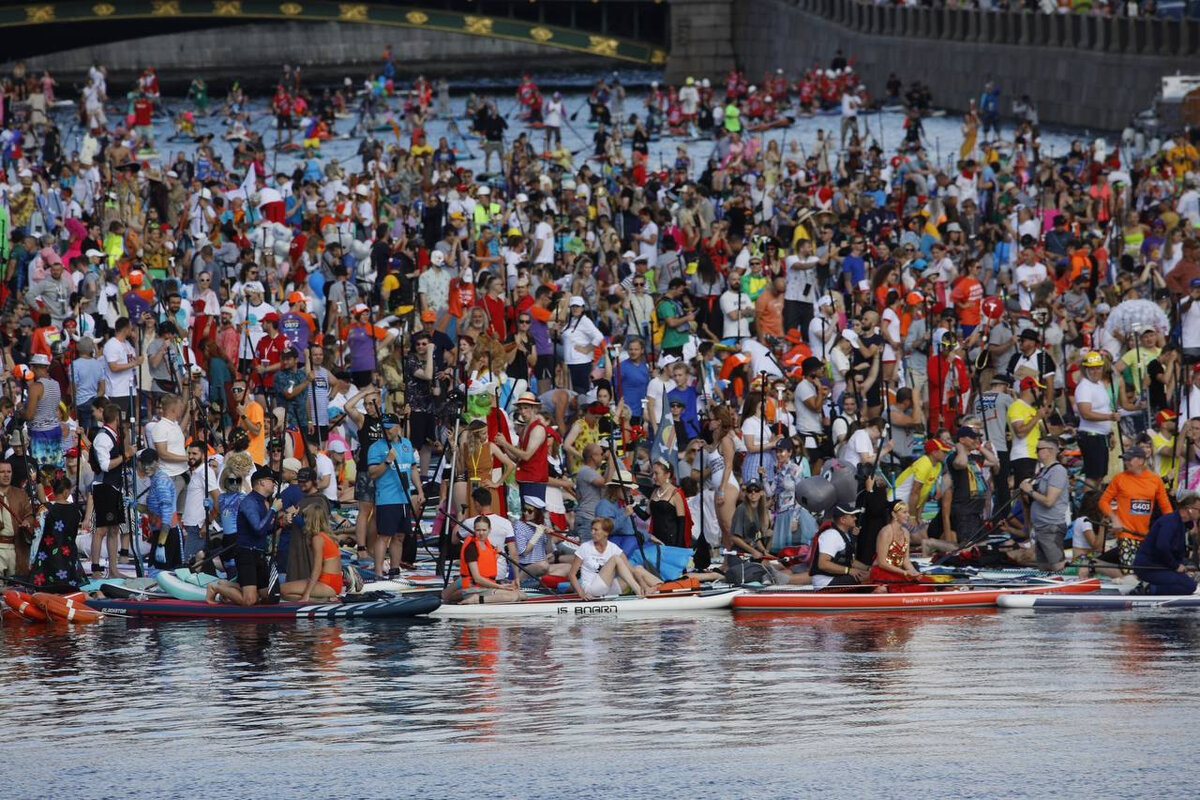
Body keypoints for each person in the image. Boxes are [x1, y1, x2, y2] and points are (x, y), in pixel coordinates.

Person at [207, 466, 299, 605]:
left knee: (269, 597)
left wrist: (281, 523)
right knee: (250, 600)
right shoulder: (249, 502)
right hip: (246, 553)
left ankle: (225, 584)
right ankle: (215, 587)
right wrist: (274, 509)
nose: (274, 484)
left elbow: (266, 529)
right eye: (271, 480)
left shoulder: (263, 502)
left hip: (259, 554)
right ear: (261, 482)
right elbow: (258, 529)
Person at [367, 412, 424, 578]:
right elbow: (372, 473)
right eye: (384, 429)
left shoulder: (406, 443)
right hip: (386, 498)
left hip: (404, 497)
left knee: (399, 536)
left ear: (398, 427)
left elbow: (412, 468)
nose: (387, 432)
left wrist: (419, 490)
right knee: (384, 535)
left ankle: (395, 569)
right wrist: (387, 461)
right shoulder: (376, 447)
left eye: (390, 429)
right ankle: (378, 572)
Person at [1100, 446, 1174, 572]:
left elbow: (1166, 508)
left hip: (1145, 535)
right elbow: (1103, 501)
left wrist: (1172, 528)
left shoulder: (1155, 480)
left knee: (1144, 572)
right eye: (1125, 459)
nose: (1126, 462)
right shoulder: (1119, 478)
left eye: (1129, 459)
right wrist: (1114, 518)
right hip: (1125, 533)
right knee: (1130, 570)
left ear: (1141, 460)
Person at [568, 517, 660, 600]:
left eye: (596, 530)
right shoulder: (585, 547)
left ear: (606, 532)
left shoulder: (613, 548)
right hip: (592, 590)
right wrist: (581, 594)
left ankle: (662, 587)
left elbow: (632, 570)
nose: (592, 532)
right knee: (615, 558)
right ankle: (640, 592)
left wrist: (643, 584)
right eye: (592, 529)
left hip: (608, 589)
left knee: (638, 569)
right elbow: (572, 574)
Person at [443, 515, 524, 605]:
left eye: (484, 530)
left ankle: (467, 596)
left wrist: (495, 556)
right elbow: (477, 579)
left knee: (522, 595)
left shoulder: (487, 546)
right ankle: (476, 599)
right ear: (474, 530)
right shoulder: (471, 547)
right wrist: (501, 587)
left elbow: (486, 564)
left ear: (489, 530)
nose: (481, 533)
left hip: (485, 587)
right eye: (478, 530)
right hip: (475, 588)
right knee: (514, 596)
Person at [1133, 493, 1200, 596]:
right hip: (1150, 567)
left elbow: (1176, 551)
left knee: (1189, 582)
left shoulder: (1180, 523)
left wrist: (1183, 565)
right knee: (1189, 586)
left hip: (1161, 565)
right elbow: (1162, 547)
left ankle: (1152, 587)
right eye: (1198, 510)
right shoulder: (1170, 522)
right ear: (1189, 509)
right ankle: (1149, 589)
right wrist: (1176, 566)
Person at [1021, 437, 1071, 571]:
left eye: (1038, 449)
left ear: (1049, 451)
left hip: (1050, 526)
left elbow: (1049, 501)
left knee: (1058, 566)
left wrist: (1029, 490)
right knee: (1044, 567)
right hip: (1041, 526)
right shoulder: (1044, 471)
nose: (1036, 452)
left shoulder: (1058, 471)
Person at [280, 504, 344, 602]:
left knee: (282, 590)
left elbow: (317, 568)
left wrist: (307, 594)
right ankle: (325, 598)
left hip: (327, 583)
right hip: (335, 582)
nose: (304, 520)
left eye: (305, 517)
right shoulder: (327, 536)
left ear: (310, 519)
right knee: (285, 590)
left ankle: (323, 600)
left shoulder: (317, 538)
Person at [809, 504, 870, 589]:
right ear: (843, 520)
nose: (855, 518)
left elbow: (850, 561)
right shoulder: (831, 535)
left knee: (871, 575)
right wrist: (848, 571)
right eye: (852, 516)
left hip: (837, 577)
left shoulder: (846, 535)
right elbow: (823, 564)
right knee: (868, 579)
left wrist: (869, 569)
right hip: (825, 582)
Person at [869, 503, 923, 589]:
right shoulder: (886, 532)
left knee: (923, 583)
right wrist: (904, 572)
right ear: (894, 514)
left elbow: (905, 560)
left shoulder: (906, 532)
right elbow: (882, 563)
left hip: (898, 572)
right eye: (904, 512)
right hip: (882, 572)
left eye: (908, 512)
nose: (908, 515)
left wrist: (914, 573)